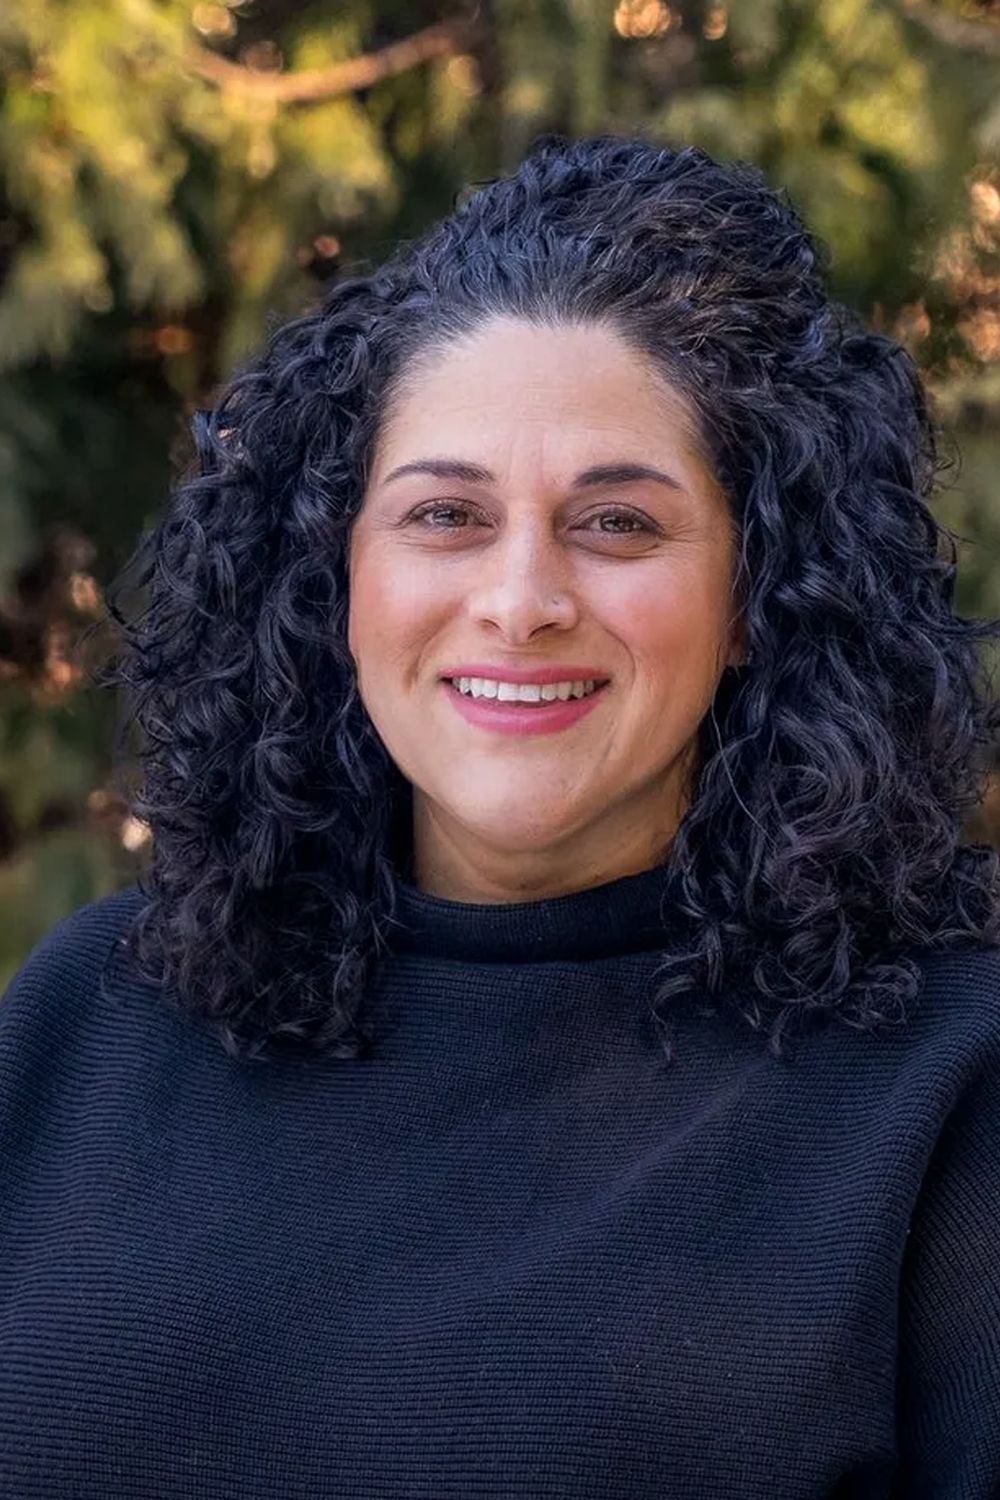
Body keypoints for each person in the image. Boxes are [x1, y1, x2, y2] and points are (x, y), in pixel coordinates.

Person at [1, 131, 999, 1499]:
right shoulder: (84, 1026)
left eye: (620, 526)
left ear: (759, 598)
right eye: (446, 516)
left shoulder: (952, 1077)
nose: (520, 597)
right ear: (336, 573)